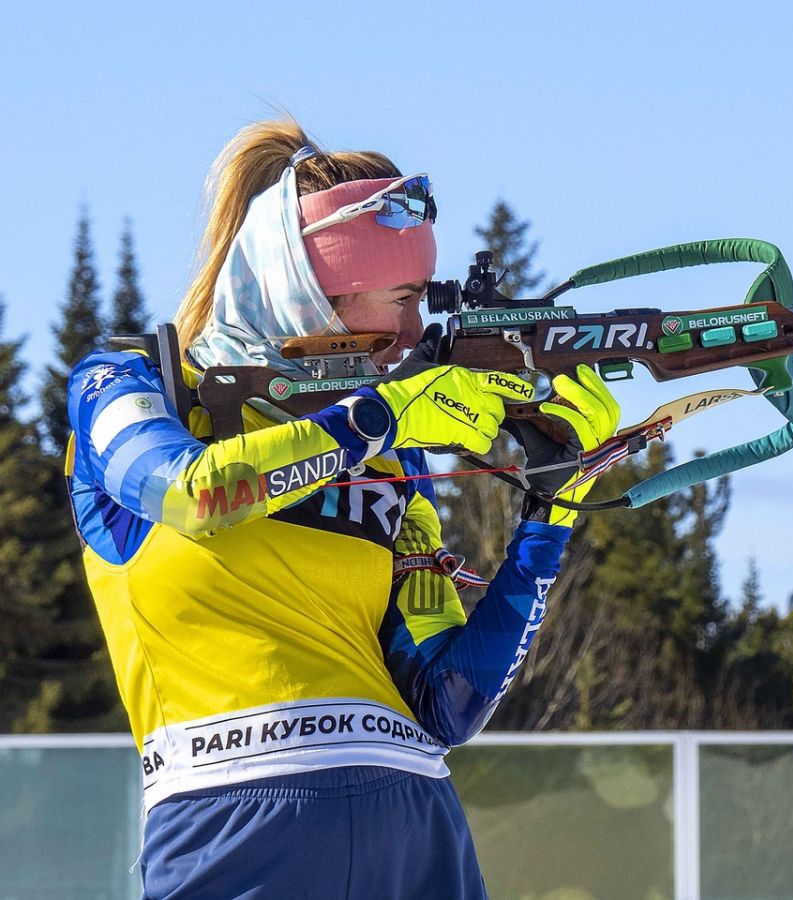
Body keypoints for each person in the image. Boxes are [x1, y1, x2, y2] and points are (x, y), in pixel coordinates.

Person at [65, 120, 619, 898]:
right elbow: (189, 492)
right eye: (404, 299)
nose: (416, 332)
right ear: (308, 285)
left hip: (414, 820)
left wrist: (550, 514)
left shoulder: (390, 457)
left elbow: (447, 705)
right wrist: (378, 418)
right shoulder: (132, 386)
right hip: (233, 821)